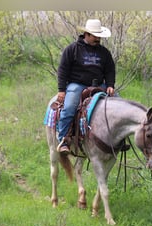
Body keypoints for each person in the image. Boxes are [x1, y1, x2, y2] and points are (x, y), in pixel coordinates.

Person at [56, 19, 116, 153]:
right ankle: (63, 139)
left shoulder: (104, 52)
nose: (98, 39)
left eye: (99, 36)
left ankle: (116, 139)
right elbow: (63, 70)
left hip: (100, 85)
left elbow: (110, 69)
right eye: (95, 36)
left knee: (118, 104)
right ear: (87, 34)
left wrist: (110, 85)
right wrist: (61, 90)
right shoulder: (72, 49)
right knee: (69, 107)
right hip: (77, 85)